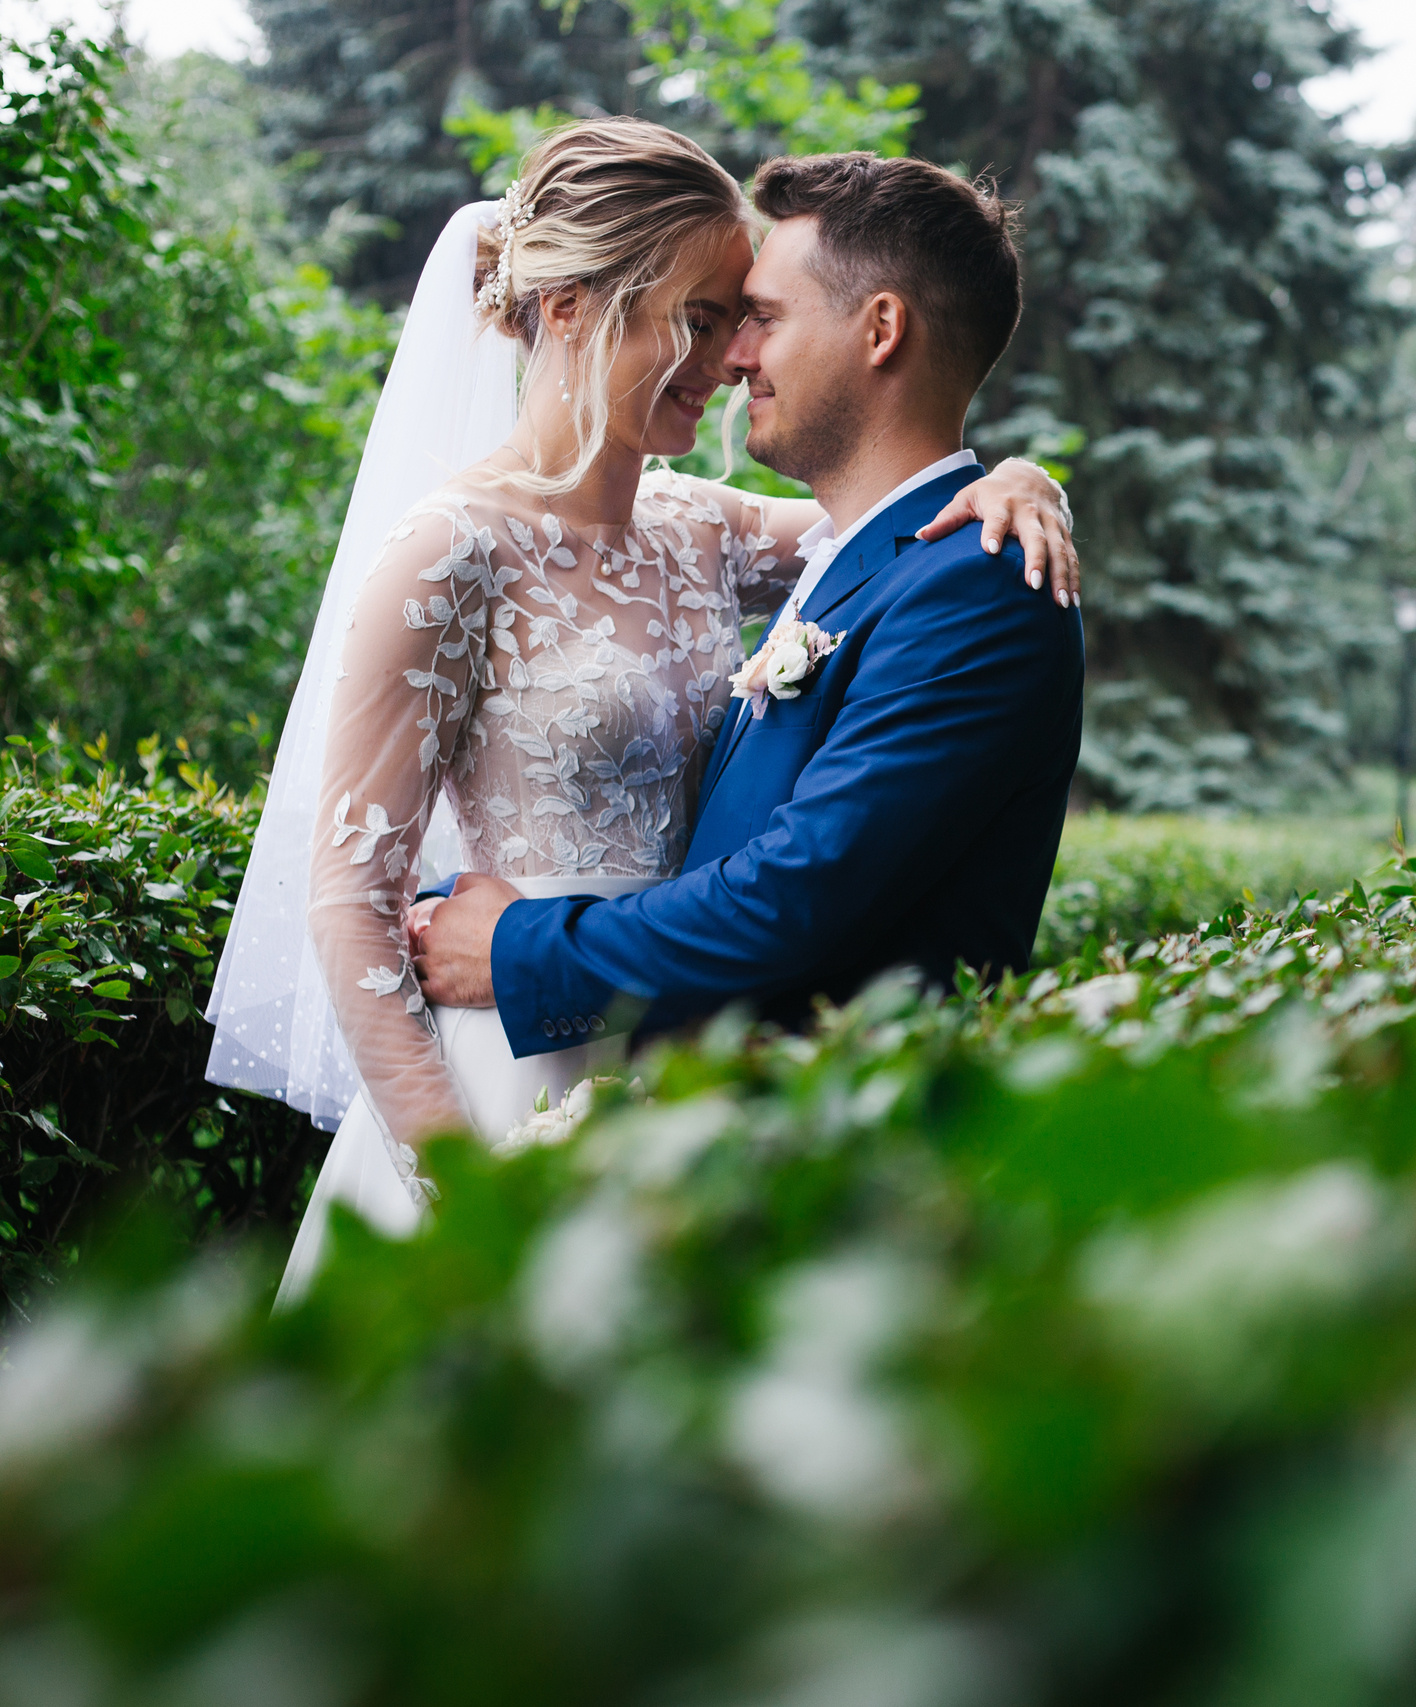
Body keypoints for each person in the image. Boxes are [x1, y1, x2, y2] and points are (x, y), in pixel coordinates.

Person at [202, 120, 1081, 1302]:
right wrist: (470, 1190)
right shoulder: (449, 553)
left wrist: (1020, 480)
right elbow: (349, 905)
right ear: (568, 312)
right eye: (704, 316)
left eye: (745, 318)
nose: (726, 359)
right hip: (500, 1080)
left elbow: (893, 534)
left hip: (674, 1075)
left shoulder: (699, 529)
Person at [411, 150, 1085, 1079]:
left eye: (761, 318)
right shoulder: (856, 558)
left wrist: (516, 945)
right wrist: (1025, 473)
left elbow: (792, 898)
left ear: (881, 328)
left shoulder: (977, 591)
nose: (730, 358)